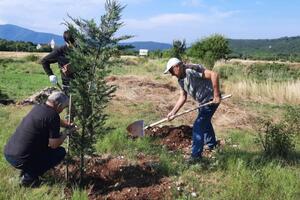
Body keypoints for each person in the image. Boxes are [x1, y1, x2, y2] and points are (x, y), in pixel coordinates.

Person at [4, 92, 72, 187]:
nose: (62, 110)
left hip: (9, 152)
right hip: (20, 159)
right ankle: (28, 179)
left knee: (42, 148)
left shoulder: (39, 107)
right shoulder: (53, 116)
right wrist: (67, 133)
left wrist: (67, 125)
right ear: (59, 105)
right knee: (59, 152)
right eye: (63, 108)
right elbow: (54, 144)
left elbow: (53, 120)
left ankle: (27, 170)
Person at [164, 58, 221, 162]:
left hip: (211, 99)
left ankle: (196, 157)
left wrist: (216, 94)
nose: (171, 74)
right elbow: (183, 97)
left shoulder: (191, 70)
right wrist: (173, 112)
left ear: (177, 66)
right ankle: (212, 145)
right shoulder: (180, 80)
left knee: (198, 126)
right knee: (205, 122)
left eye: (171, 71)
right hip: (202, 102)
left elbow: (214, 75)